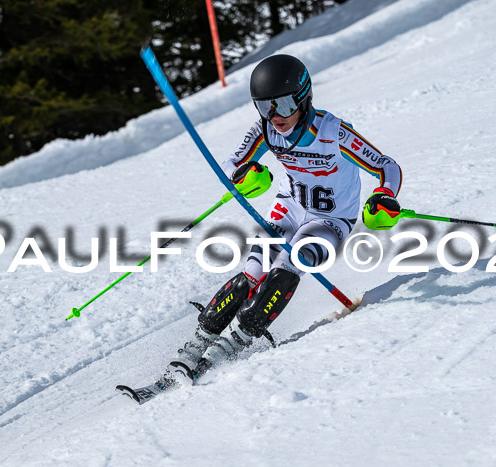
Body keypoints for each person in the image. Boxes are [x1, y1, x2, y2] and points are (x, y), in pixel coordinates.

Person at [163, 54, 403, 387]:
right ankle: (196, 344)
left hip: (331, 221)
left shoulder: (332, 132)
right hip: (289, 209)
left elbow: (385, 165)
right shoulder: (266, 130)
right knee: (252, 271)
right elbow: (233, 163)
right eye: (265, 107)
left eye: (285, 105)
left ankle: (236, 342)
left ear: (304, 99)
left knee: (290, 263)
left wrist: (385, 196)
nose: (276, 116)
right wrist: (245, 174)